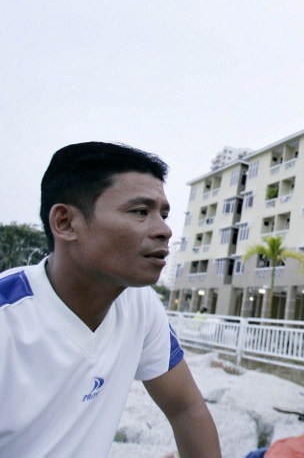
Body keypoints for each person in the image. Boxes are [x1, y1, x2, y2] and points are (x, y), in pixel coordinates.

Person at [0, 142, 221, 457]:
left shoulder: (140, 307)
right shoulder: (8, 318)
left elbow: (186, 408)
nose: (165, 230)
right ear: (65, 223)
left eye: (164, 214)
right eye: (140, 211)